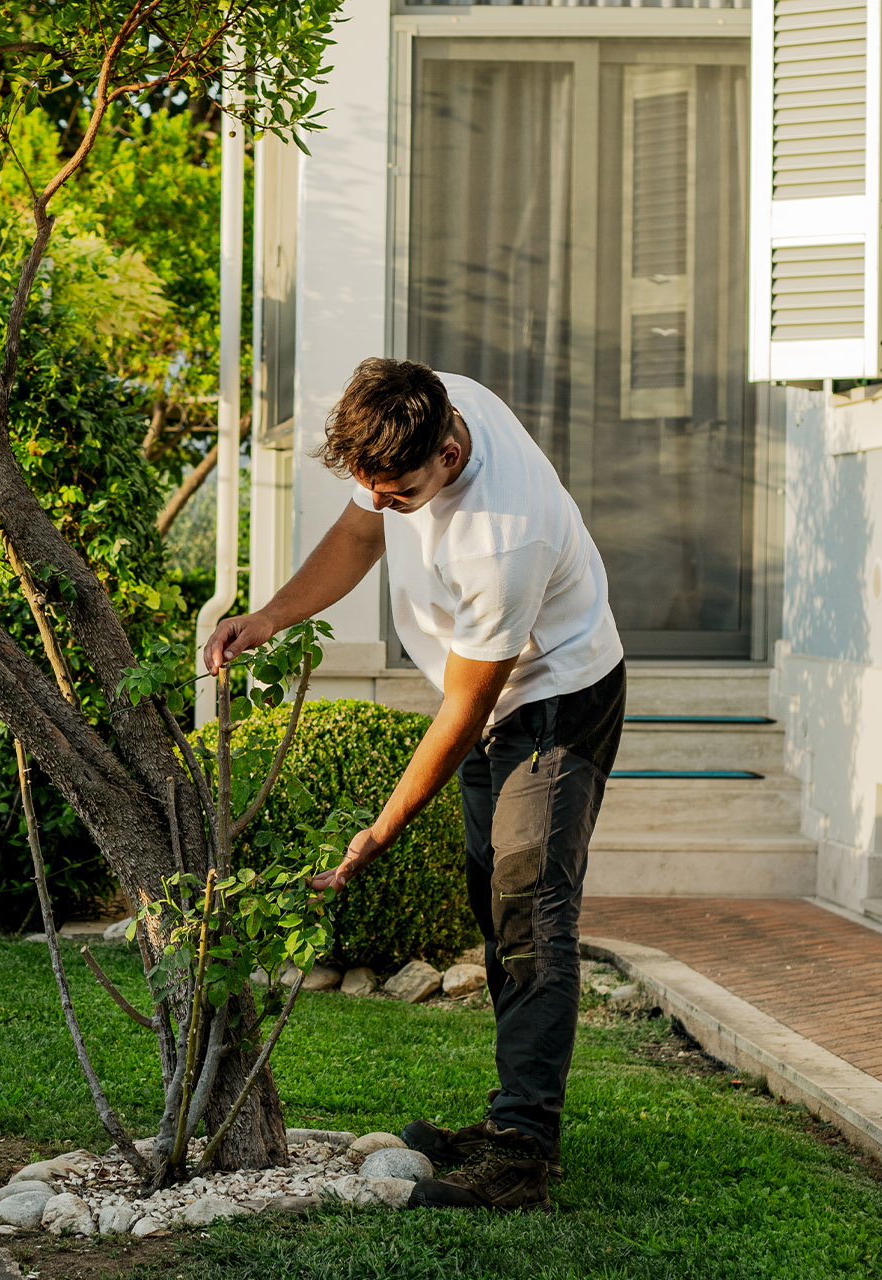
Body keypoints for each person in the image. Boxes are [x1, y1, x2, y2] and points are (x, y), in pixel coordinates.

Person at [203, 358, 625, 1212]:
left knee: (530, 913)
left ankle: (523, 1154)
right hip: (487, 695)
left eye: (398, 495)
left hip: (555, 697)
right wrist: (271, 615)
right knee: (494, 904)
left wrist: (381, 830)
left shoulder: (504, 538)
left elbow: (465, 714)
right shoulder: (419, 403)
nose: (382, 505)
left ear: (448, 454)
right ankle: (511, 1117)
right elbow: (359, 533)